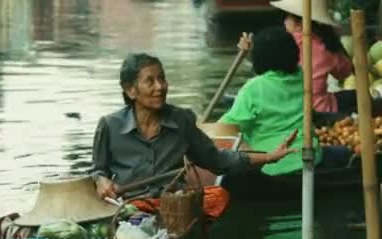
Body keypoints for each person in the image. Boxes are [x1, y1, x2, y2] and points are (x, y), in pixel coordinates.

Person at [90, 53, 297, 200]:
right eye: (150, 81)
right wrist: (102, 181)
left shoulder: (182, 121)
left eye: (162, 78)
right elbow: (98, 171)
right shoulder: (109, 126)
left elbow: (216, 160)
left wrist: (269, 157)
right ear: (130, 90)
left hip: (174, 205)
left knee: (218, 198)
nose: (160, 87)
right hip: (129, 208)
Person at [221, 26, 352, 175]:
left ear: (258, 59)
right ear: (294, 54)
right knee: (344, 153)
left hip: (268, 166)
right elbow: (274, 73)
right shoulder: (302, 77)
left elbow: (225, 128)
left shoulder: (252, 89)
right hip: (308, 158)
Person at [238, 0, 381, 116]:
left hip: (295, 108)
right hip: (320, 111)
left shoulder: (283, 43)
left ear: (300, 23)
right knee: (364, 98)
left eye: (287, 17)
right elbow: (344, 72)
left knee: (352, 96)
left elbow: (263, 65)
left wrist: (251, 50)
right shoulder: (325, 45)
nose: (285, 22)